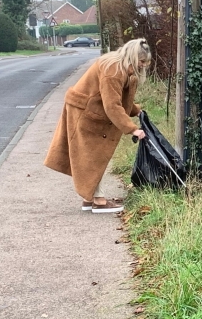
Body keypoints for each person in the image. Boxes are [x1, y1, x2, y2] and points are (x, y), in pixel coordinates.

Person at [45, 38, 152, 214]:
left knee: (93, 154)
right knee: (94, 154)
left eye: (146, 62)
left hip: (91, 109)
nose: (144, 66)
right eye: (142, 61)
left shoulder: (121, 67)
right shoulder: (113, 70)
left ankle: (90, 199)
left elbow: (119, 99)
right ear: (132, 57)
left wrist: (136, 111)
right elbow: (112, 105)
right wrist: (133, 129)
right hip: (84, 111)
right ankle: (99, 201)